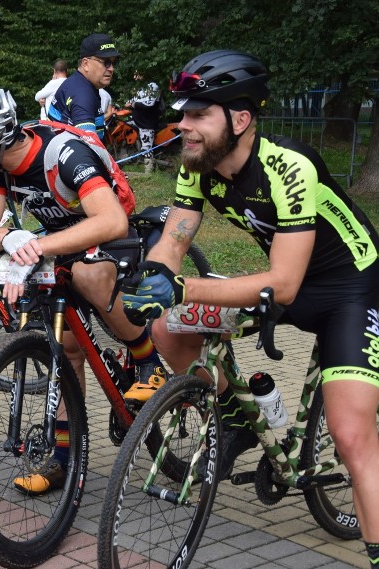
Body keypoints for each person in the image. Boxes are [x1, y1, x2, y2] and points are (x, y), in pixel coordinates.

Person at [120, 50, 379, 567]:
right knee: (167, 327)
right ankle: (236, 417)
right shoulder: (198, 163)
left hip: (349, 288)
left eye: (197, 115)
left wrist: (182, 286)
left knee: (352, 438)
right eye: (183, 114)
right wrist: (154, 276)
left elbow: (282, 286)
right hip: (286, 280)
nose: (183, 126)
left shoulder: (289, 168)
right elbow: (175, 237)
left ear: (240, 119)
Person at [0, 88, 167, 495]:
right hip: (62, 237)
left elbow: (112, 221)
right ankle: (63, 458)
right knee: (65, 349)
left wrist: (38, 247)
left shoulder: (63, 154)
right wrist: (12, 238)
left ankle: (147, 358)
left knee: (86, 275)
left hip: (109, 231)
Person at [47, 32, 119, 140]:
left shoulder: (78, 83)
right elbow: (88, 144)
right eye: (106, 62)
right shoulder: (82, 95)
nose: (111, 68)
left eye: (114, 63)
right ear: (85, 64)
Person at [125, 70, 161, 173]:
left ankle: (148, 172)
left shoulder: (153, 86)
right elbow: (130, 101)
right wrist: (132, 103)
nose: (135, 77)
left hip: (147, 123)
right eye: (134, 74)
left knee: (147, 147)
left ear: (144, 74)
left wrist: (133, 104)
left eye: (137, 74)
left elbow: (148, 104)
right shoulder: (140, 88)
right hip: (136, 120)